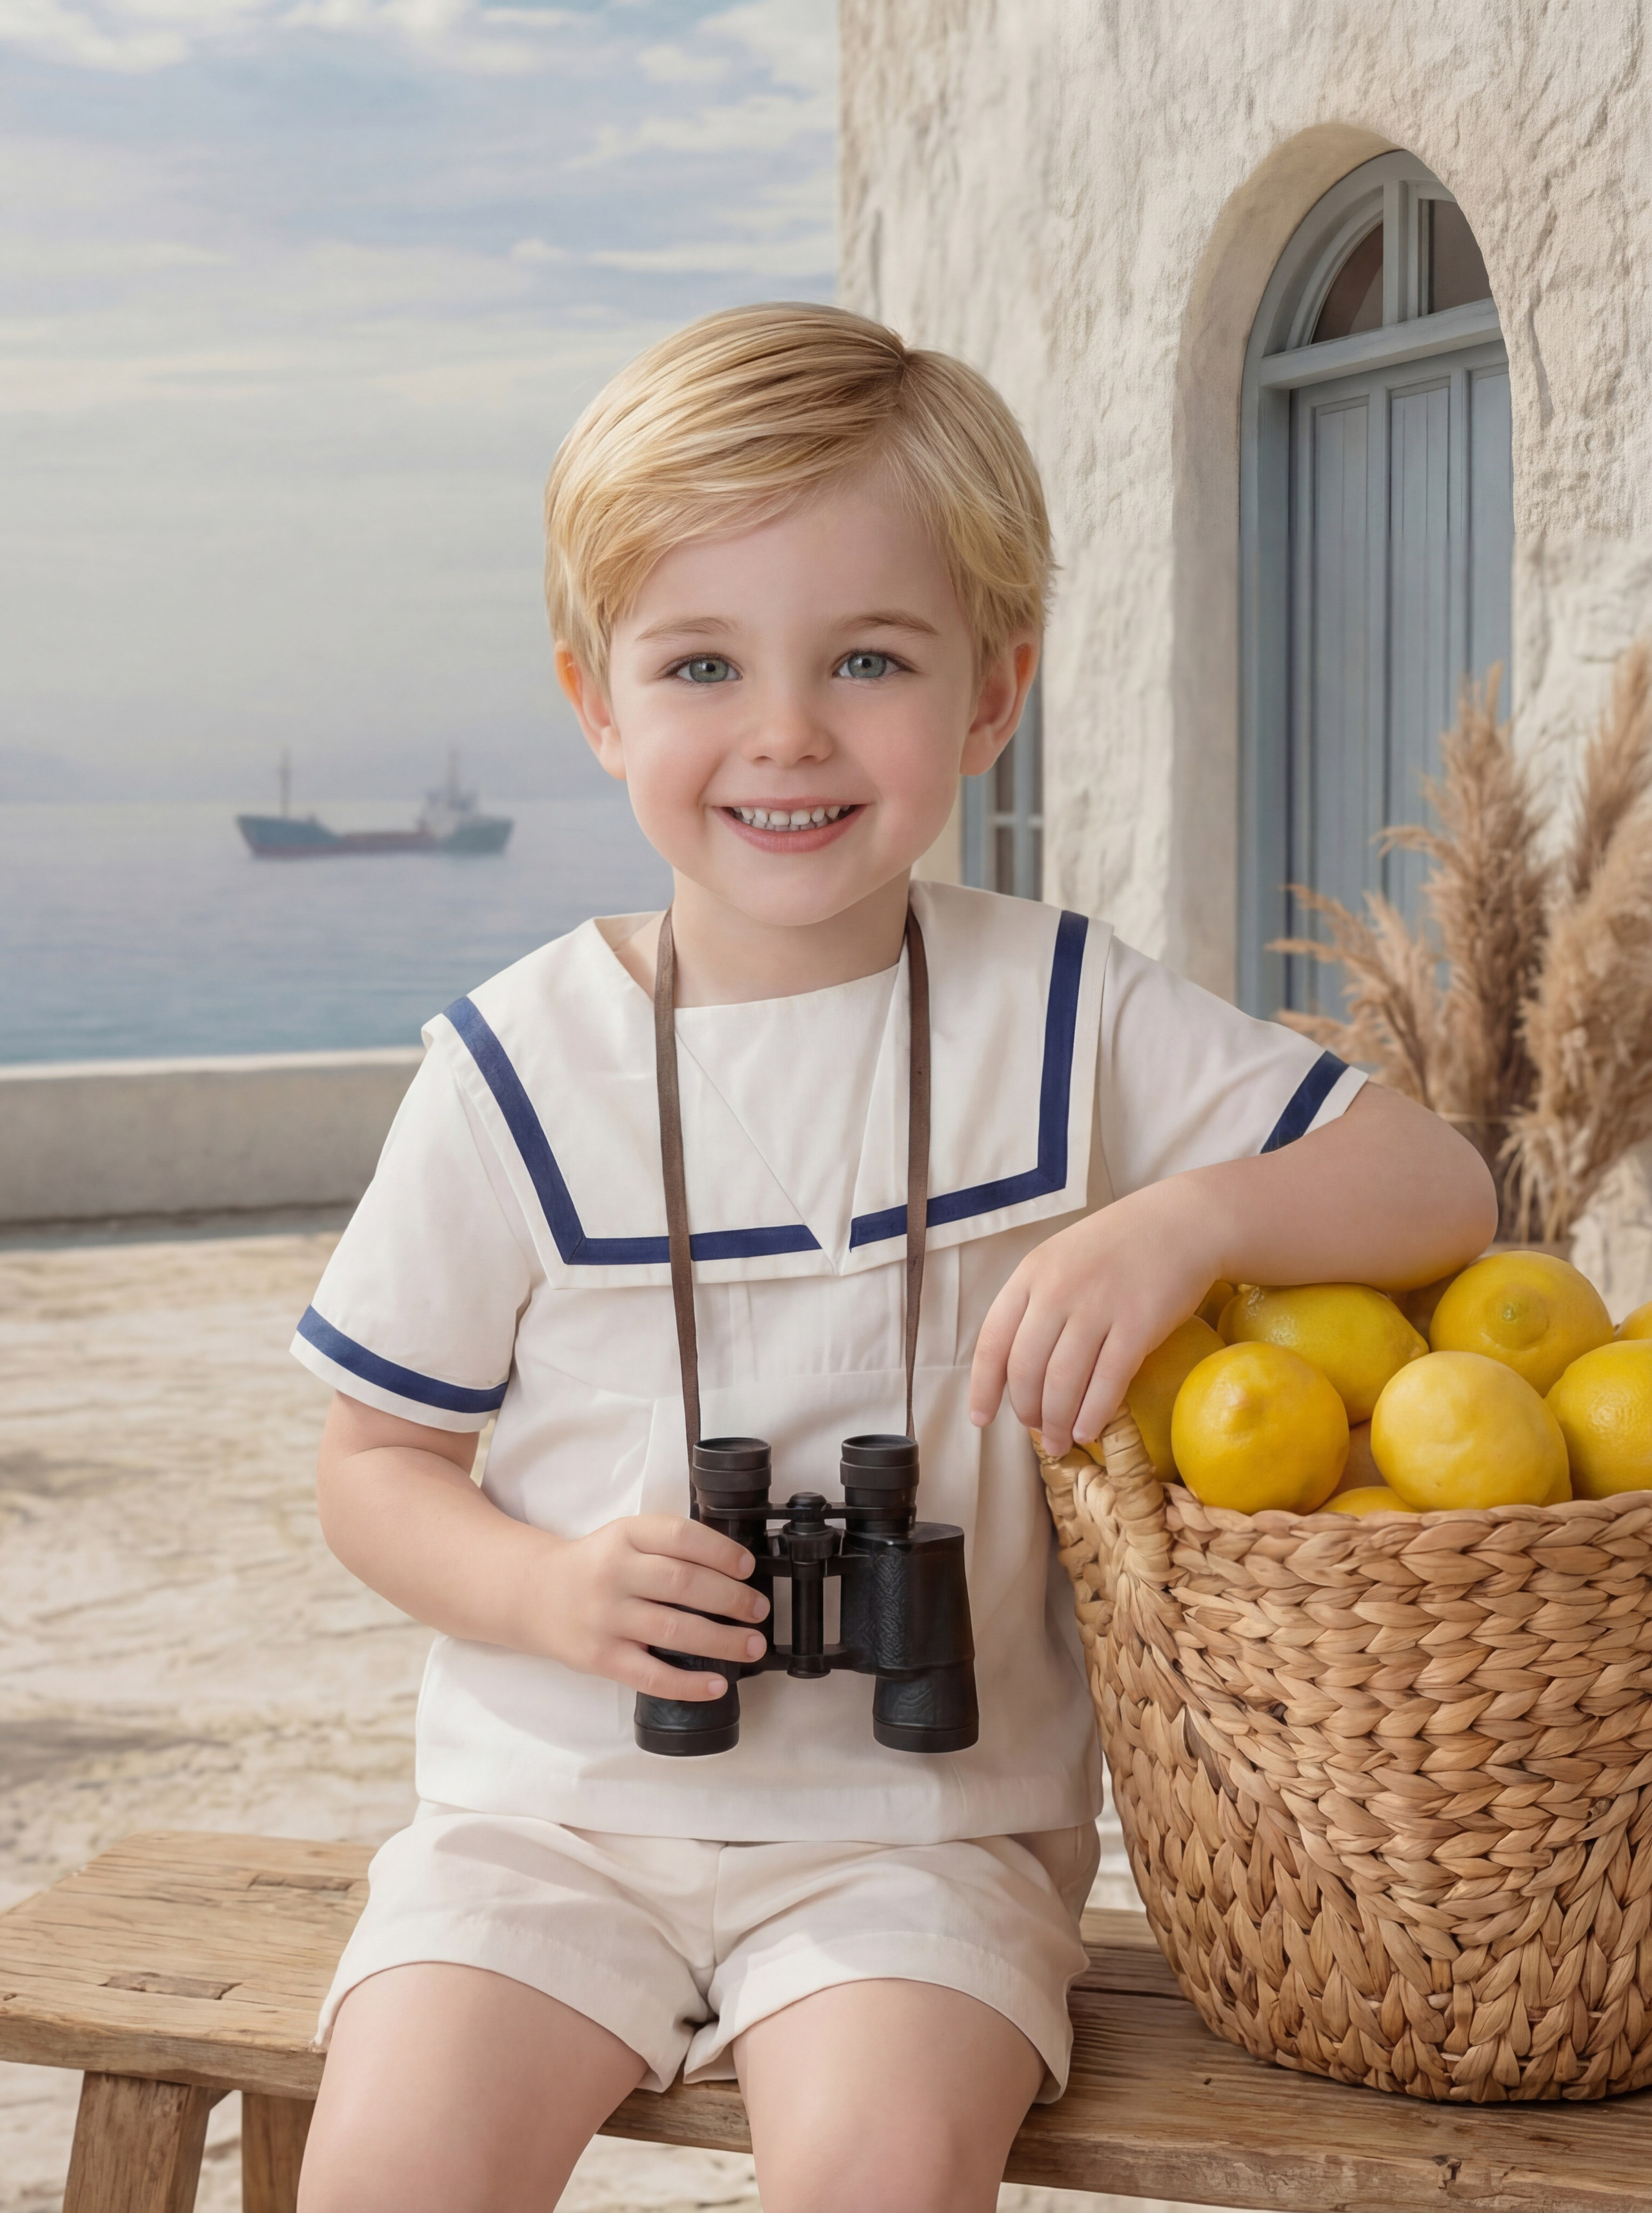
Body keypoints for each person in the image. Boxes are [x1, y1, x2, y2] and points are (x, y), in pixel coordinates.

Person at [292, 303, 1496, 2213]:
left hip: (923, 1824)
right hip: (548, 1813)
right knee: (389, 2177)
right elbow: (374, 1470)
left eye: (869, 659)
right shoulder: (515, 1070)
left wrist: (1187, 1216)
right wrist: (547, 1595)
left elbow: (1440, 1182)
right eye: (701, 664)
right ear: (596, 701)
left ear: (991, 695)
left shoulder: (1058, 1007)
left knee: (880, 2172)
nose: (786, 733)